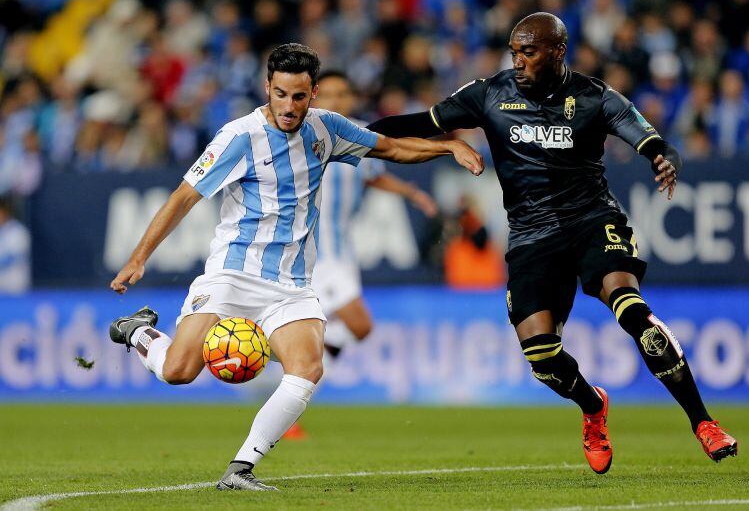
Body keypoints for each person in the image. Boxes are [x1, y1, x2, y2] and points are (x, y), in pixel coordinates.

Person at [368, 13, 737, 474]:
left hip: (591, 221)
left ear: (558, 51)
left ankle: (704, 422)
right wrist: (353, 136)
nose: (518, 60)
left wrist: (663, 158)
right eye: (513, 51)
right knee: (541, 356)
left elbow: (652, 139)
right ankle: (592, 406)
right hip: (530, 236)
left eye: (528, 51)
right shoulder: (489, 94)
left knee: (633, 313)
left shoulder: (595, 97)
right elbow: (421, 122)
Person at [108, 43, 483, 491]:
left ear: (314, 93)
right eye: (280, 94)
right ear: (267, 88)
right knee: (179, 371)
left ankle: (240, 468)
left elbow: (392, 149)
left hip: (292, 283)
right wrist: (138, 257)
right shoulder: (238, 136)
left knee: (307, 368)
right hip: (233, 273)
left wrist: (449, 146)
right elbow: (184, 196)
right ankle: (138, 331)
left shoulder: (327, 129)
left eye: (299, 97)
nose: (289, 106)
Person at [311, 70, 438, 358]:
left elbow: (373, 174)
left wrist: (412, 193)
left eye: (342, 94)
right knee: (360, 325)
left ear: (352, 98)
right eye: (328, 94)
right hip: (316, 251)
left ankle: (294, 376)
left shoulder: (362, 133)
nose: (336, 100)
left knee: (348, 331)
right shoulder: (304, 133)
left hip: (342, 249)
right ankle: (273, 358)